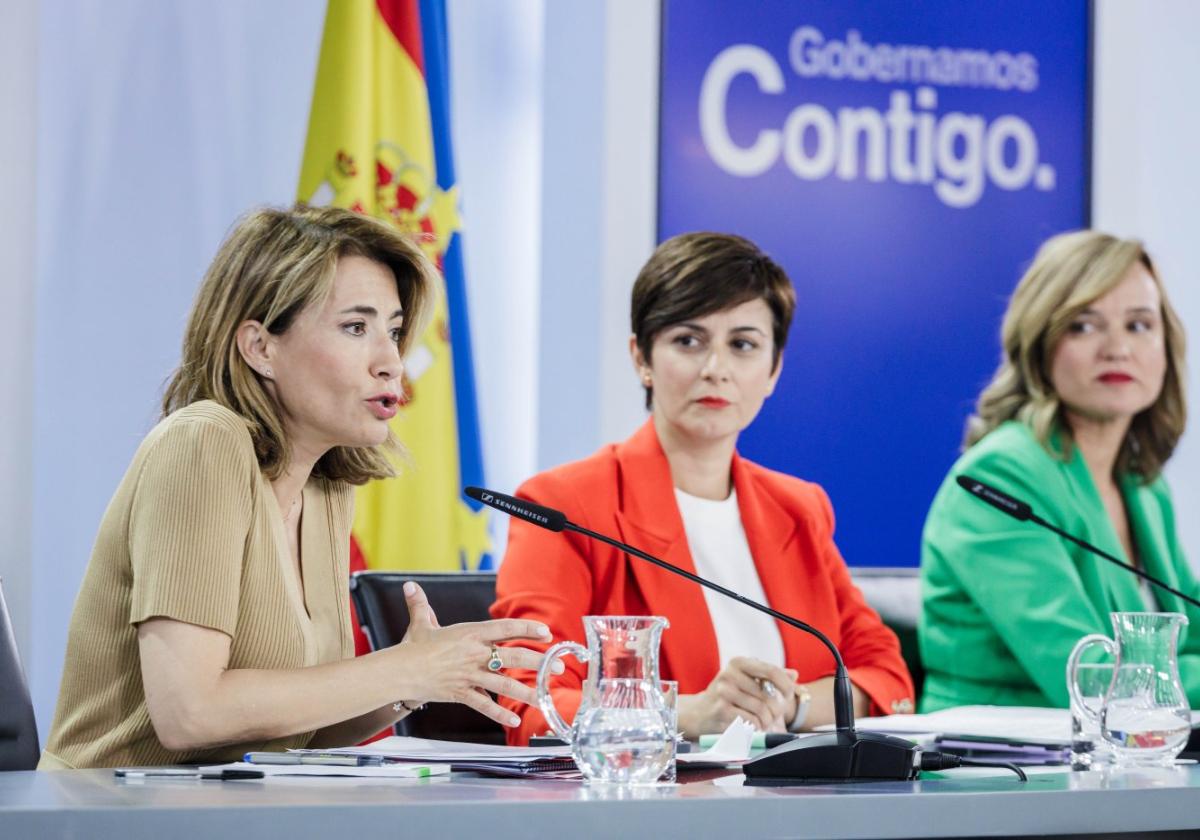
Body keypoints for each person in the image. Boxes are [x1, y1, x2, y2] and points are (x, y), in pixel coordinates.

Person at [39, 205, 551, 769]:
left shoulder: (326, 485)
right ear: (260, 347)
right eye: (356, 328)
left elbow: (301, 730)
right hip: (107, 818)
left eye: (395, 331)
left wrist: (416, 676)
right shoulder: (203, 443)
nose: (391, 363)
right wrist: (398, 670)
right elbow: (190, 713)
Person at [492, 232, 914, 745]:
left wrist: (788, 705)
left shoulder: (799, 508)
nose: (715, 370)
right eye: (688, 341)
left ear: (774, 369)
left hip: (800, 807)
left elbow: (887, 681)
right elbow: (529, 704)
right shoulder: (563, 505)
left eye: (743, 345)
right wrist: (686, 713)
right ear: (641, 358)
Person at [920, 230, 1200, 711]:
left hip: (1129, 760)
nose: (1117, 349)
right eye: (1084, 326)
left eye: (1138, 325)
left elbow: (1190, 637)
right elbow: (1091, 677)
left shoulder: (1143, 485)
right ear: (1040, 343)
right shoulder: (1000, 478)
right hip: (999, 770)